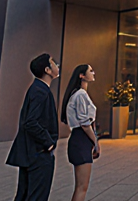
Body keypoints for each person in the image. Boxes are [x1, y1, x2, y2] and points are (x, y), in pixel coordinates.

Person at [6, 54, 60, 201]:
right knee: (36, 196)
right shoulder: (40, 91)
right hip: (37, 153)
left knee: (24, 195)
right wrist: (48, 142)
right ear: (47, 70)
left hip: (31, 153)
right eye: (53, 63)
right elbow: (30, 122)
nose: (57, 65)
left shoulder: (37, 88)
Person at [61, 64, 100, 201]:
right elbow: (85, 124)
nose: (93, 73)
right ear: (81, 75)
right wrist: (96, 142)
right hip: (81, 140)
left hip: (78, 139)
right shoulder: (80, 94)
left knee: (80, 186)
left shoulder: (76, 94)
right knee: (82, 187)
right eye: (90, 70)